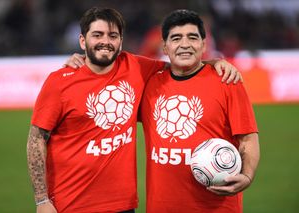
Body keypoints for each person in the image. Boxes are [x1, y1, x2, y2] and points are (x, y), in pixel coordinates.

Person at [27, 7, 242, 213]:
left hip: (122, 205)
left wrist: (214, 63)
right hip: (71, 205)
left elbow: (180, 64)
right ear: (83, 41)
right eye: (97, 35)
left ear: (121, 42)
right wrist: (42, 200)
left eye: (113, 36)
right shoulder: (59, 82)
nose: (105, 41)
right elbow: (36, 139)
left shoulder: (135, 67)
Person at [139, 9, 260, 212]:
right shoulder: (149, 83)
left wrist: (247, 175)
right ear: (165, 47)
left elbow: (248, 138)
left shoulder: (227, 81)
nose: (185, 44)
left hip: (216, 207)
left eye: (192, 38)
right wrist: (78, 62)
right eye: (176, 38)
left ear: (203, 45)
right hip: (162, 207)